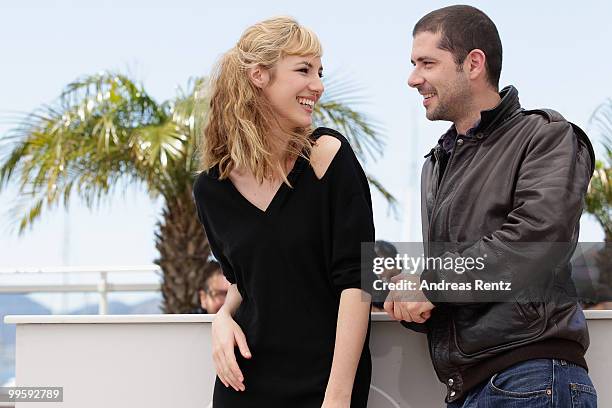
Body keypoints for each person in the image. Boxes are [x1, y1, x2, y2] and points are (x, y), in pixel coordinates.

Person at [384, 5, 597, 407]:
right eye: (414, 64)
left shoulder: (545, 136)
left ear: (474, 63)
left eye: (427, 63)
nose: (413, 79)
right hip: (472, 387)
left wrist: (430, 284)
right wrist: (404, 292)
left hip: (531, 379)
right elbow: (466, 288)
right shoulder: (436, 164)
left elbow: (536, 242)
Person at [193, 17, 374, 408]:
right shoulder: (211, 189)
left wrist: (339, 398)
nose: (319, 85)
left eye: (320, 71)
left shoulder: (329, 158)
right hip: (245, 385)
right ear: (259, 75)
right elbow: (246, 281)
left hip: (326, 388)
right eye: (304, 70)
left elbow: (356, 281)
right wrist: (222, 318)